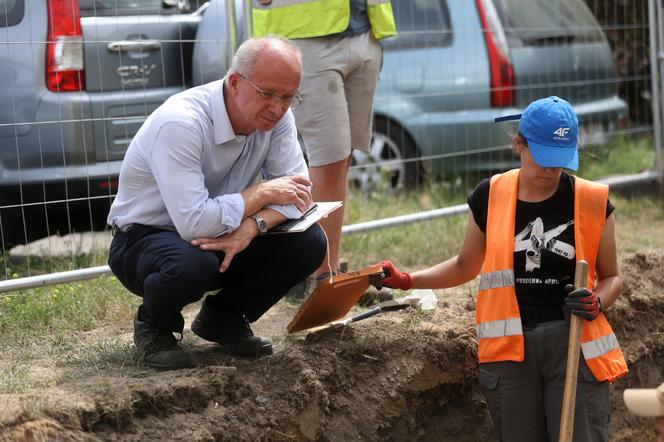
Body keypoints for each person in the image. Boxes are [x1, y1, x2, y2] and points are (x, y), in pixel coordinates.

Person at [380, 96, 628, 441]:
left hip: (572, 340)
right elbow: (466, 265)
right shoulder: (490, 195)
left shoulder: (592, 200)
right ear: (518, 144)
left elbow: (613, 276)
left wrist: (598, 301)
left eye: (561, 161)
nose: (552, 170)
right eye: (543, 158)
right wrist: (408, 280)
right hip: (511, 348)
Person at [107, 36, 327, 371]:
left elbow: (299, 196)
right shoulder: (181, 122)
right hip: (144, 239)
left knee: (310, 242)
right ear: (235, 83)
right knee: (192, 264)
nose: (277, 108)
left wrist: (253, 227)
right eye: (268, 94)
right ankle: (154, 324)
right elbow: (194, 224)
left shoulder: (279, 117)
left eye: (287, 97)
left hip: (224, 228)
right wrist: (263, 193)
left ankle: (223, 318)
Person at [252, 0, 396, 288]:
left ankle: (327, 270)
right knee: (330, 159)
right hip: (308, 36)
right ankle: (320, 277)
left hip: (365, 28)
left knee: (341, 158)